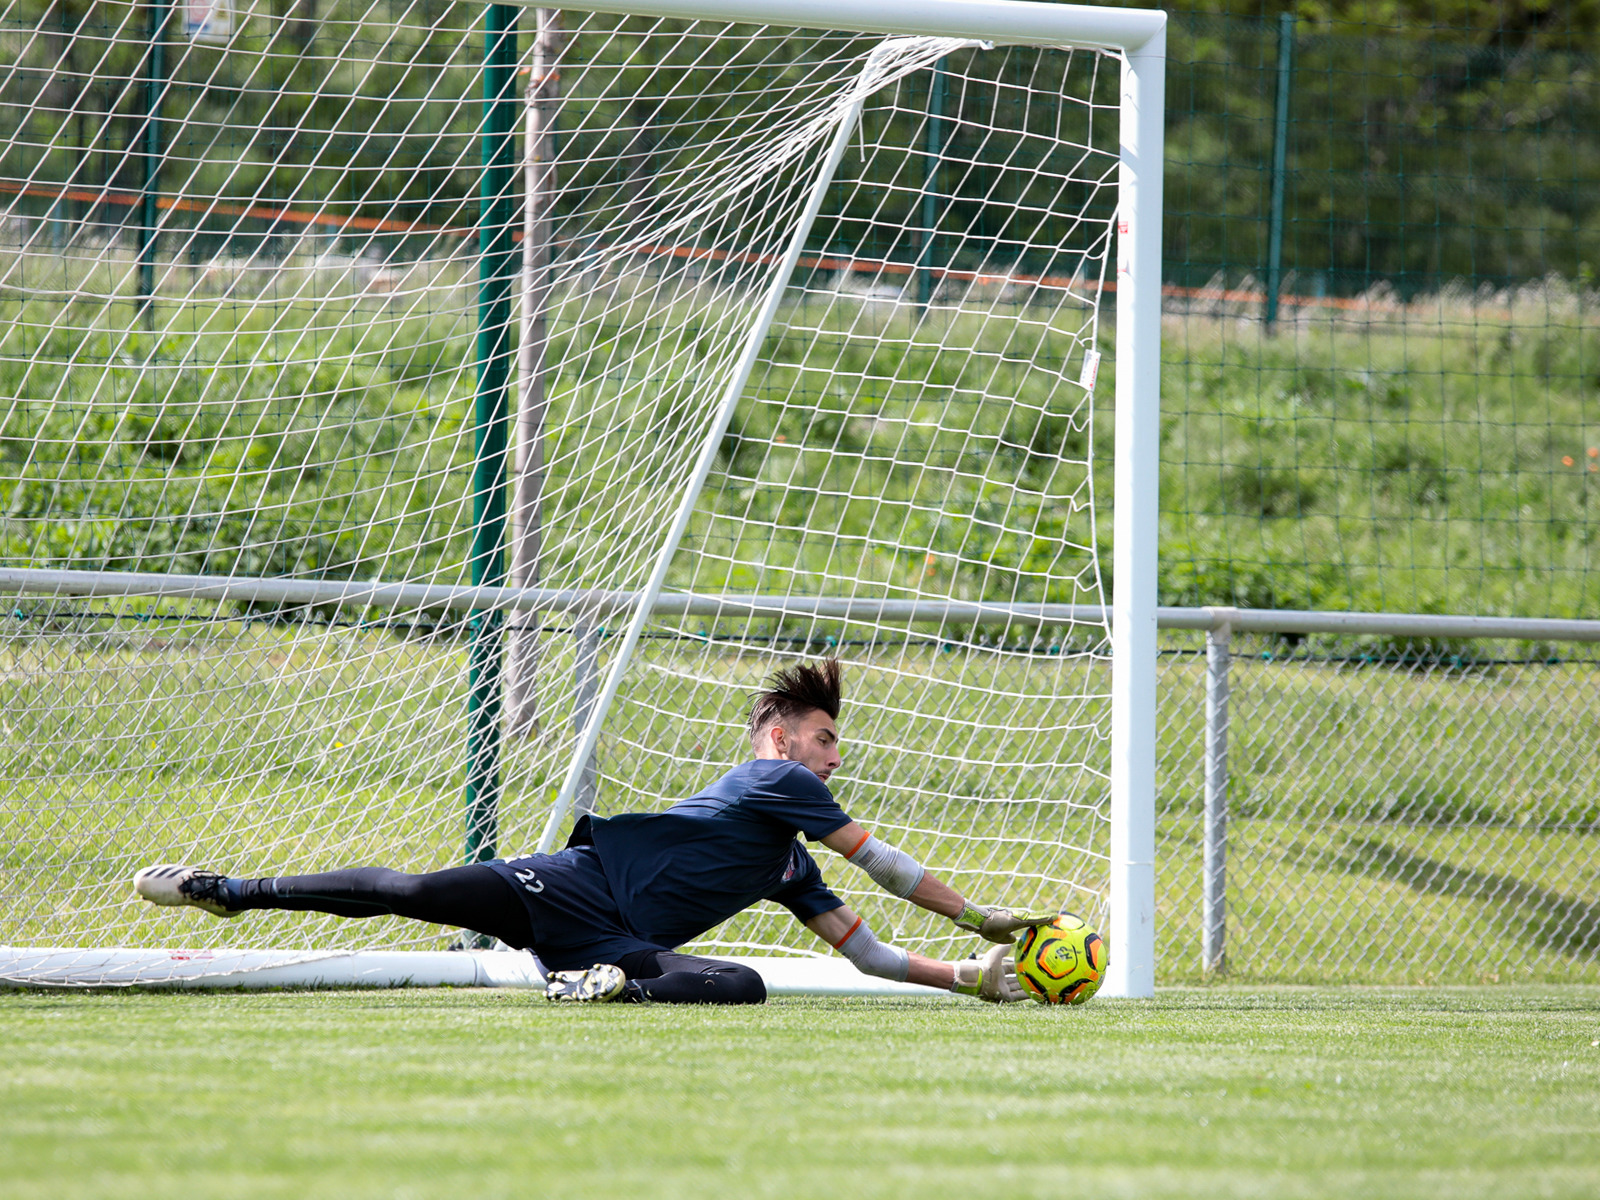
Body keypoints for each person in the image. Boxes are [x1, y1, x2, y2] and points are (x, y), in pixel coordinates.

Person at [134, 659, 1051, 1004]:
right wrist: (976, 920)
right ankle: (232, 891)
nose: (834, 758)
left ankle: (590, 983)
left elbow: (872, 955)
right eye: (824, 740)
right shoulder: (773, 779)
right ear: (780, 739)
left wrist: (967, 978)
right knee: (415, 894)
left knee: (741, 985)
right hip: (576, 885)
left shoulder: (790, 865)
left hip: (616, 943)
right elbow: (884, 865)